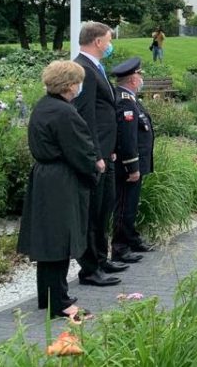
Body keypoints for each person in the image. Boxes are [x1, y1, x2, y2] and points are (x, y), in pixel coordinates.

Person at [18, 60, 99, 322]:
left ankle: (48, 296)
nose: (79, 87)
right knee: (60, 240)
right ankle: (60, 303)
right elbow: (79, 150)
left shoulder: (44, 106)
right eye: (77, 82)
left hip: (44, 177)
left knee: (48, 239)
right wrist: (94, 167)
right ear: (69, 85)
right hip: (61, 180)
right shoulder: (65, 112)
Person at [72, 22, 124, 287]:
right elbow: (86, 115)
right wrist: (95, 153)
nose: (110, 43)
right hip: (97, 154)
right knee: (93, 212)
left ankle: (102, 259)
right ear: (97, 41)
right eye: (108, 39)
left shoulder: (96, 68)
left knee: (105, 208)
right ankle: (90, 268)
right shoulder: (84, 69)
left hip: (107, 151)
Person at [111, 58, 156, 263]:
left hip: (136, 163)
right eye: (139, 75)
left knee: (131, 204)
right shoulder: (124, 101)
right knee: (124, 205)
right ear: (132, 79)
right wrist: (132, 167)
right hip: (128, 165)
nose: (141, 78)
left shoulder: (130, 98)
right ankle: (120, 246)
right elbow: (127, 138)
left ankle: (131, 238)